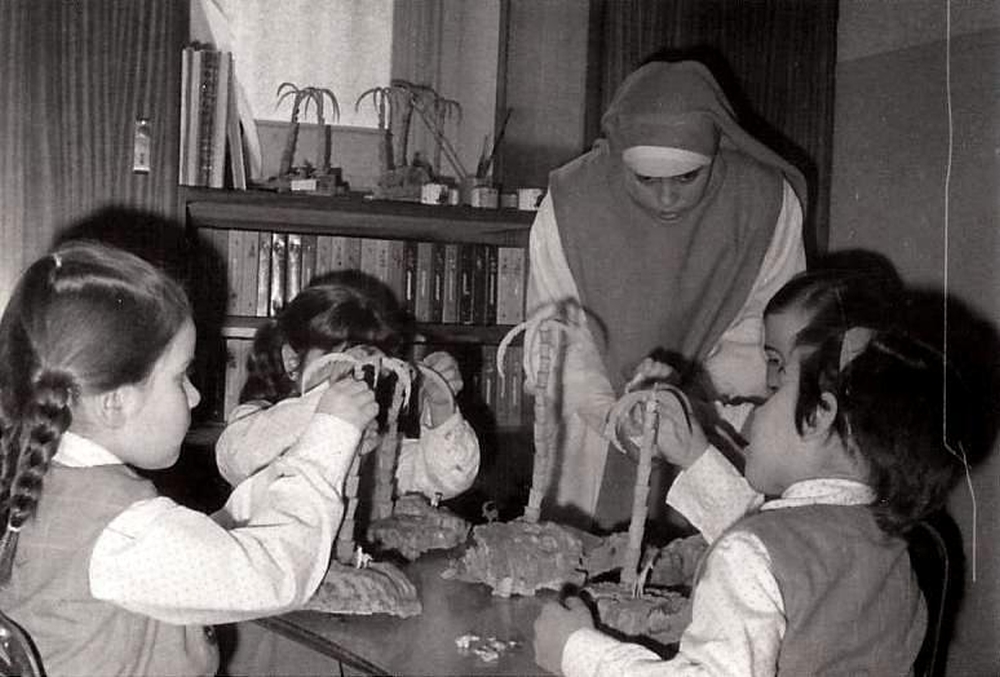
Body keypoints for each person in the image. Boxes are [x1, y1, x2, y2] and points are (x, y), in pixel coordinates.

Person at [533, 297, 971, 674]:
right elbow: (780, 545)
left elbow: (758, 555)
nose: (760, 408)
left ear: (818, 415)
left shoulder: (753, 555)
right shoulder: (889, 551)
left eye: (775, 393)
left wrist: (577, 651)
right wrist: (695, 455)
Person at [0, 241, 376, 677]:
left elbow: (190, 552)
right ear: (116, 402)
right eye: (181, 377)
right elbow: (278, 574)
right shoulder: (124, 532)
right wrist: (330, 438)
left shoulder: (53, 481)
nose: (195, 396)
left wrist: (263, 491)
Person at [526, 59, 809, 530]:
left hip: (715, 417)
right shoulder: (572, 203)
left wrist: (693, 396)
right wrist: (618, 418)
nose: (667, 200)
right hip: (594, 426)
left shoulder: (764, 201)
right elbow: (558, 341)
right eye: (647, 181)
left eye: (686, 179)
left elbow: (766, 332)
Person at [215, 274, 480, 503]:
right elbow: (236, 460)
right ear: (292, 360)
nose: (356, 372)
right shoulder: (258, 421)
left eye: (369, 363)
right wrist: (326, 402)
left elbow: (448, 480)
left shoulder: (375, 438)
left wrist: (441, 403)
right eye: (338, 357)